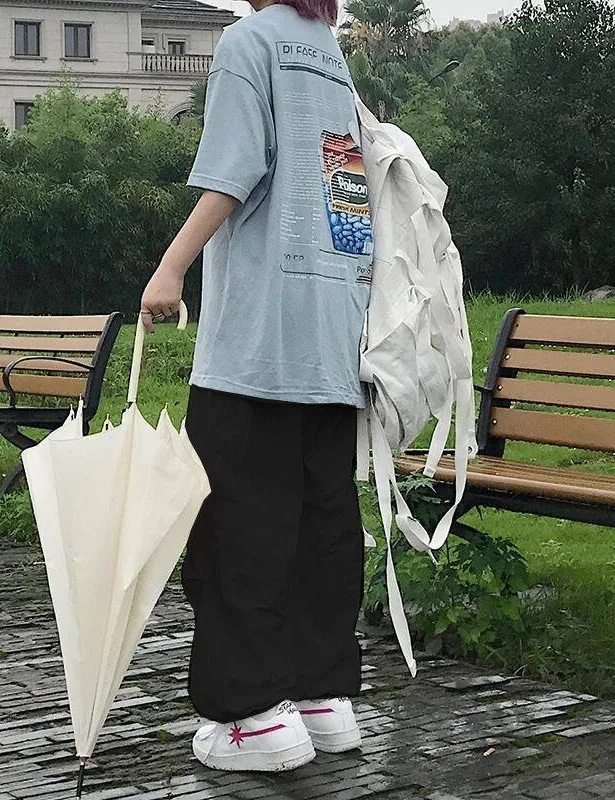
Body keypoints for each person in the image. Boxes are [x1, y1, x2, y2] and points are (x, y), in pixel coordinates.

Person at [140, 0, 373, 774]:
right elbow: (348, 202)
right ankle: (323, 699)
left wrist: (170, 268)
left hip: (256, 341)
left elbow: (234, 172)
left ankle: (251, 718)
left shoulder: (250, 42)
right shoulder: (329, 52)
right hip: (331, 333)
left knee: (237, 529)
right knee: (319, 523)